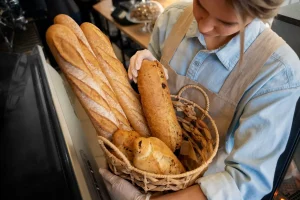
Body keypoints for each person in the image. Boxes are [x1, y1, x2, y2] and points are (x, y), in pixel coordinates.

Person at [99, 0, 300, 199]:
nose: (203, 26)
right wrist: (141, 76)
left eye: (226, 22)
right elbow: (145, 106)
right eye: (200, 5)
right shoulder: (173, 17)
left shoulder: (279, 73)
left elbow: (245, 182)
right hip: (140, 171)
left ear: (258, 15)